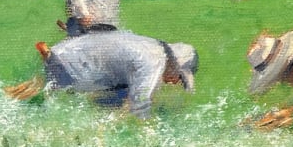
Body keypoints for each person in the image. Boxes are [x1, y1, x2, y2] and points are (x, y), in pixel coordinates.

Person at [28, 31, 197, 120]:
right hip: (74, 68)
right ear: (174, 64)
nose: (174, 83)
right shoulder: (154, 61)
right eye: (179, 79)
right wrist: (149, 132)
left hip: (64, 53)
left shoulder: (150, 46)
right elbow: (139, 105)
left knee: (118, 97)